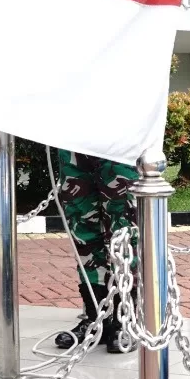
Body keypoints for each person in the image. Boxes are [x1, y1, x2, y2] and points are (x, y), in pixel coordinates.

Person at [51, 151, 134, 354]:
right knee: (83, 230)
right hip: (77, 142)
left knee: (123, 230)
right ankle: (97, 318)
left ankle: (127, 318)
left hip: (122, 143)